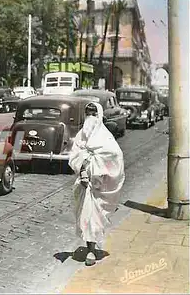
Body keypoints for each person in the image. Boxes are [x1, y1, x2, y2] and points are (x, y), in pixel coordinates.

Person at [68, 102, 125, 266]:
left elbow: (115, 157)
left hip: (100, 185)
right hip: (84, 185)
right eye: (88, 114)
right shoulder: (81, 135)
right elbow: (74, 155)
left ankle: (92, 250)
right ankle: (90, 247)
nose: (90, 118)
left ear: (99, 116)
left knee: (95, 217)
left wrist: (93, 168)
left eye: (93, 114)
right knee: (85, 216)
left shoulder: (106, 137)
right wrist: (82, 169)